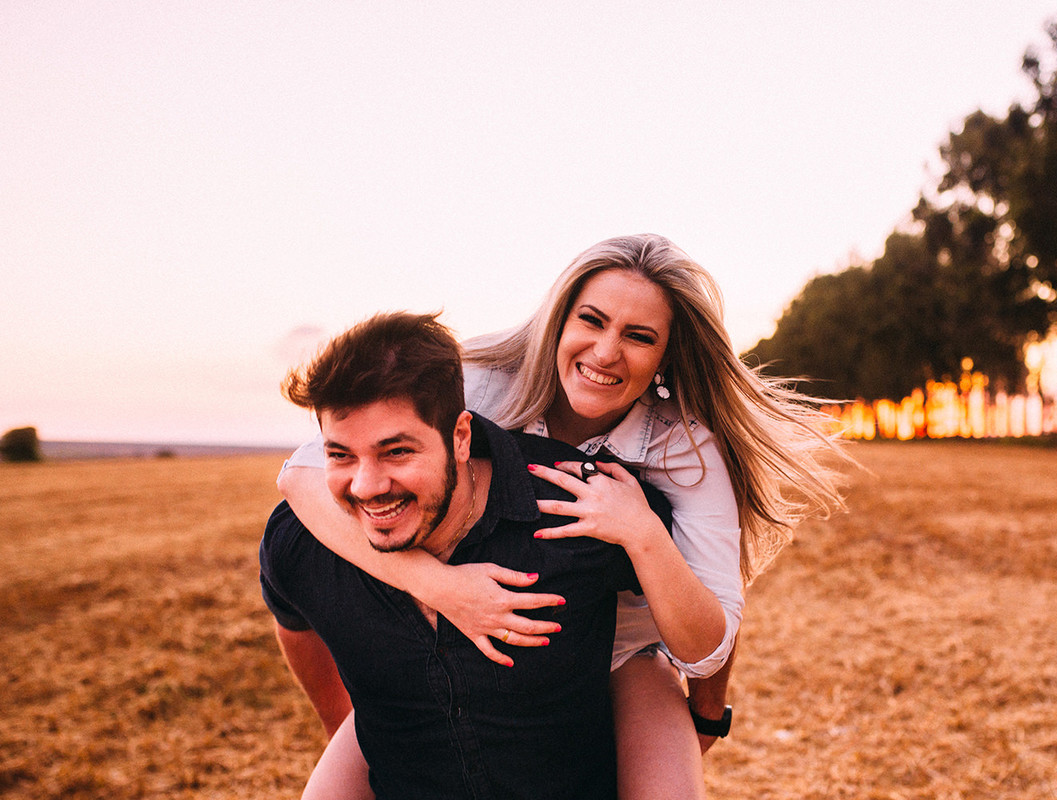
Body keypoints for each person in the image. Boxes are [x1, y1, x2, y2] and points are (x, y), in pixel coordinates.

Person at [279, 233, 845, 798]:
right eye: (591, 321)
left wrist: (643, 535)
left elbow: (712, 635)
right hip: (477, 627)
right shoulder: (481, 383)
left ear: (666, 358)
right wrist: (444, 588)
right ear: (558, 320)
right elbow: (301, 477)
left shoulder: (688, 451)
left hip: (625, 650)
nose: (604, 352)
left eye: (639, 336)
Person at [260, 310, 673, 799]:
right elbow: (293, 617)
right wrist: (342, 724)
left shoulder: (578, 509)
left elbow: (712, 595)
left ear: (460, 437)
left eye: (397, 452)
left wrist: (708, 714)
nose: (367, 486)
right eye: (340, 455)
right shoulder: (302, 544)